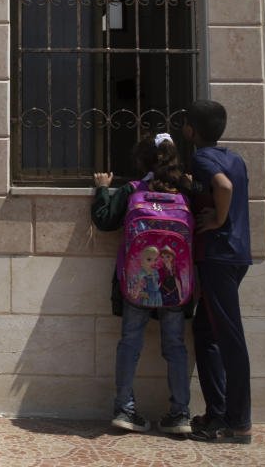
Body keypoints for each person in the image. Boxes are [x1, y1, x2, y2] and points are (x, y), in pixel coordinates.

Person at [91, 133, 194, 436]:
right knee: (175, 346)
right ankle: (180, 413)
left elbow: (105, 220)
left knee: (130, 343)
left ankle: (125, 409)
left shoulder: (132, 190)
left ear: (141, 161)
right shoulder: (186, 191)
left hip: (137, 283)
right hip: (175, 286)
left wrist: (101, 190)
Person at [182, 99, 253, 444]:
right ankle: (217, 414)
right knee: (207, 332)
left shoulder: (201, 157)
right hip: (236, 256)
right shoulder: (235, 158)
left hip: (217, 257)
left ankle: (237, 422)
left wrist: (218, 219)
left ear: (190, 130)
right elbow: (217, 186)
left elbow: (223, 187)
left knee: (229, 339)